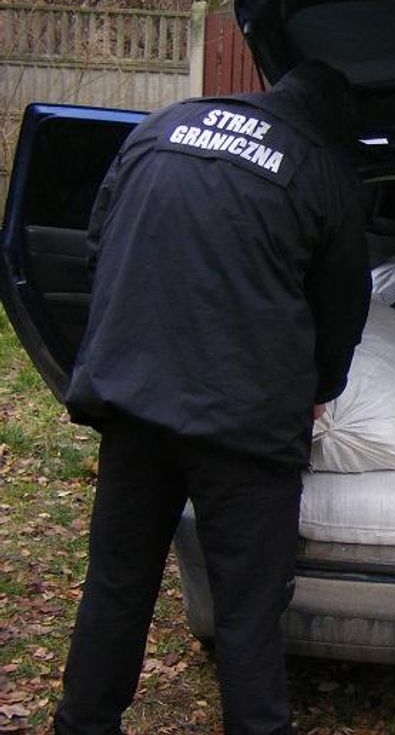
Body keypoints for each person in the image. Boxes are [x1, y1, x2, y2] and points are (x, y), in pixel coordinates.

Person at [54, 60, 372, 734]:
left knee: (117, 582)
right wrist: (321, 387)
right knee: (248, 609)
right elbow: (343, 304)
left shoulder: (165, 124)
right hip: (245, 428)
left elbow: (98, 242)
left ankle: (83, 722)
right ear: (339, 124)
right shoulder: (321, 167)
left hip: (135, 404)